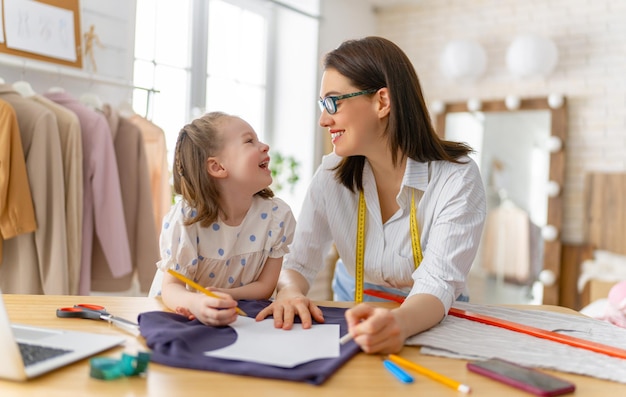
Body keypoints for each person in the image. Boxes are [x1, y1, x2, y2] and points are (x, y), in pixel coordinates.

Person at [256, 36, 486, 354]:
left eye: (333, 102)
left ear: (382, 102)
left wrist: (399, 323)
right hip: (354, 306)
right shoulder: (331, 176)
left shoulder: (456, 177)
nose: (323, 119)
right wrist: (290, 291)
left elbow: (439, 282)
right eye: (322, 105)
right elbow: (298, 262)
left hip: (434, 313)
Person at [151, 111, 296, 326]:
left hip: (235, 320)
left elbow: (266, 286)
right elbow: (171, 289)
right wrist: (197, 303)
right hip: (177, 318)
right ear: (217, 167)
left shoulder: (277, 218)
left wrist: (227, 295)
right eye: (249, 141)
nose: (264, 146)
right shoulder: (187, 219)